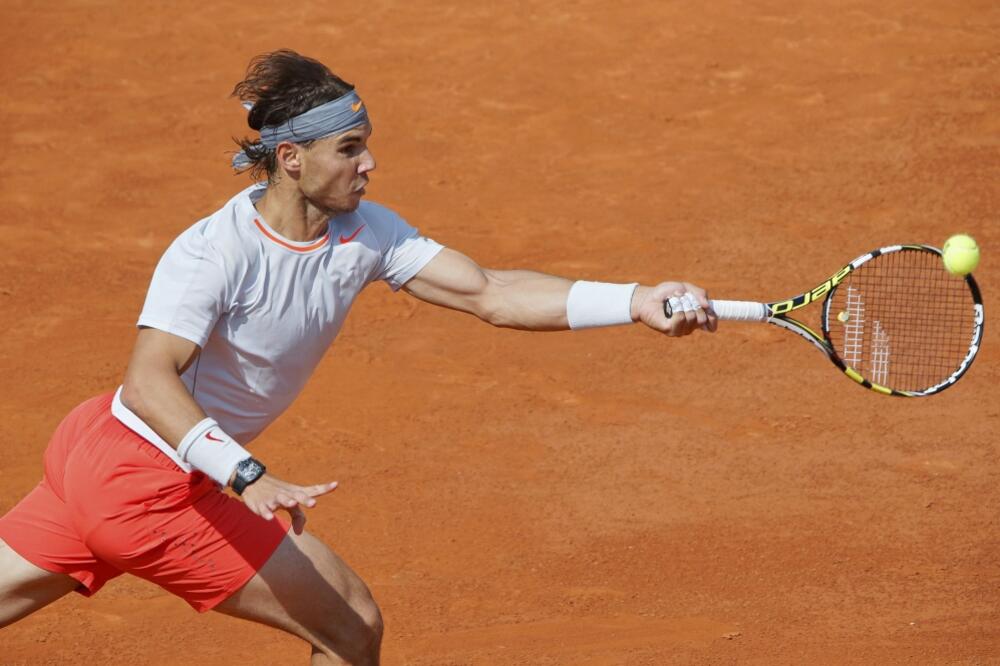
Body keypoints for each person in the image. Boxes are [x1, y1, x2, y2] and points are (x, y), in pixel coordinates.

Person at [0, 49, 717, 665]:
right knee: (351, 625)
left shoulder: (366, 232)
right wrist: (244, 471)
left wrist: (633, 298)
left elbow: (491, 292)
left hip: (98, 455)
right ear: (292, 158)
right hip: (146, 479)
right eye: (348, 149)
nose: (369, 163)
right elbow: (148, 378)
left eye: (365, 144)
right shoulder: (213, 251)